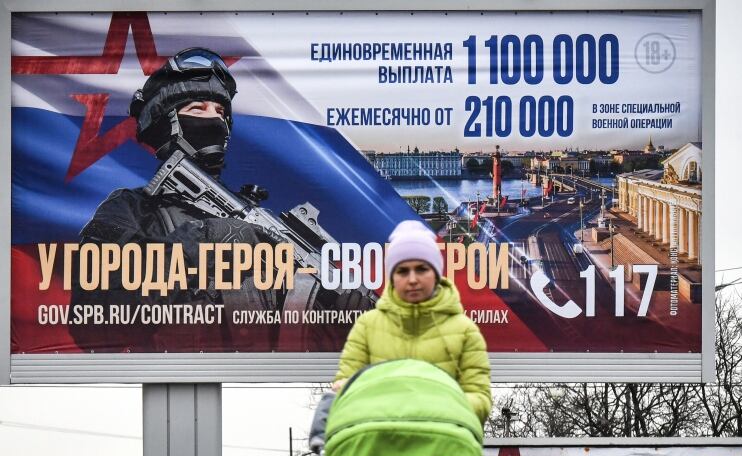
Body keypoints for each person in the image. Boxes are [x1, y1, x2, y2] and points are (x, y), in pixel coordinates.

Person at [70, 48, 370, 351]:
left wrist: (335, 320)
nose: (215, 119)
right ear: (167, 122)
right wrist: (198, 244)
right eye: (198, 109)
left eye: (221, 112)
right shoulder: (133, 210)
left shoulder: (256, 224)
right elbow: (93, 320)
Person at [332, 219, 492, 424]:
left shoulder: (465, 331)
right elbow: (344, 393)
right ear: (391, 276)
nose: (413, 279)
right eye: (402, 270)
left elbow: (480, 400)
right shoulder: (365, 326)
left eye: (422, 268)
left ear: (435, 273)